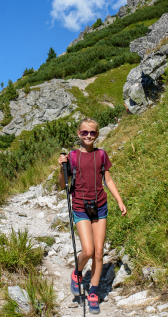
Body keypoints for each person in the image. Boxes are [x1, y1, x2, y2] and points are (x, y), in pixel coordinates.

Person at [58, 117, 127, 315]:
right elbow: (63, 183)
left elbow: (109, 180)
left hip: (100, 206)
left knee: (99, 252)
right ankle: (78, 273)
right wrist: (61, 167)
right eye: (85, 132)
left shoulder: (102, 155)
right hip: (80, 206)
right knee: (87, 251)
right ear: (79, 134)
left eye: (93, 132)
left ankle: (94, 293)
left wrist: (120, 201)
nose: (89, 136)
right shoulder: (71, 156)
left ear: (97, 135)